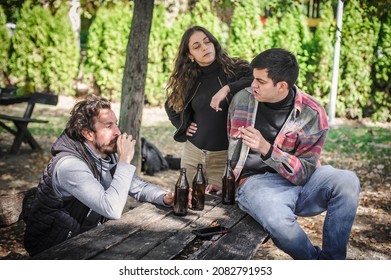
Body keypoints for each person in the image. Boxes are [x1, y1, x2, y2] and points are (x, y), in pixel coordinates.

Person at [223, 48, 361, 259]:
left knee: (348, 180)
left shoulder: (312, 113)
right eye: (253, 79)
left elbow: (305, 171)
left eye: (260, 81)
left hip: (302, 181)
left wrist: (267, 149)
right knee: (278, 221)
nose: (252, 85)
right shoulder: (242, 100)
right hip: (256, 183)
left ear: (282, 86)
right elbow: (230, 148)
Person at [24, 95, 174, 256]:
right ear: (88, 133)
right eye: (109, 126)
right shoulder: (70, 165)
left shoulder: (105, 155)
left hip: (87, 238)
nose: (118, 132)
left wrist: (165, 197)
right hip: (55, 248)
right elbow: (112, 209)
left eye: (116, 124)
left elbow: (139, 187)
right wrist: (125, 161)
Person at [165, 26, 252, 192]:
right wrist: (182, 124)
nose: (204, 47)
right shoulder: (188, 79)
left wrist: (227, 88)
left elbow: (255, 80)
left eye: (207, 42)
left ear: (214, 43)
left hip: (223, 158)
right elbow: (169, 104)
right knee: (189, 202)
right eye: (197, 46)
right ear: (190, 55)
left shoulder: (236, 69)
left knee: (218, 210)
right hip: (192, 154)